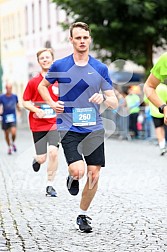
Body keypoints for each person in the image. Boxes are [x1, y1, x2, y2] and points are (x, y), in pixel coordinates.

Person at [38, 22, 118, 232]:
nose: (82, 41)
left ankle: (83, 215)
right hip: (68, 126)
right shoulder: (60, 66)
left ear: (89, 39)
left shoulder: (99, 68)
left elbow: (114, 101)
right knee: (78, 170)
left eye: (85, 37)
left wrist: (104, 97)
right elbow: (42, 86)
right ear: (71, 40)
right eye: (78, 38)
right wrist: (52, 103)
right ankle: (72, 175)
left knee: (94, 174)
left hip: (94, 128)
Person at [22, 48, 59, 197]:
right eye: (42, 58)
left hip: (55, 123)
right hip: (38, 124)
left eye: (47, 57)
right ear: (39, 62)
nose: (45, 60)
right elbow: (25, 101)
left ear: (52, 60)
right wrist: (35, 109)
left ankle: (50, 185)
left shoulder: (58, 81)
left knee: (54, 152)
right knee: (42, 157)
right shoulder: (33, 82)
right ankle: (36, 159)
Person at [144, 83, 167, 155]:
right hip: (165, 111)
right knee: (165, 128)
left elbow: (146, 100)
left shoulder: (150, 87)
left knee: (158, 129)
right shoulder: (164, 87)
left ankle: (162, 146)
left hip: (155, 112)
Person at [0, 83, 21, 154]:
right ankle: (9, 147)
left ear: (11, 88)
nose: (9, 89)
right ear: (6, 89)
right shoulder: (2, 97)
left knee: (13, 132)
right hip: (4, 118)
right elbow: (0, 106)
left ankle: (13, 142)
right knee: (6, 134)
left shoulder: (14, 96)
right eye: (7, 88)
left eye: (10, 88)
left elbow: (17, 105)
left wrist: (19, 111)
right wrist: (0, 110)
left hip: (12, 117)